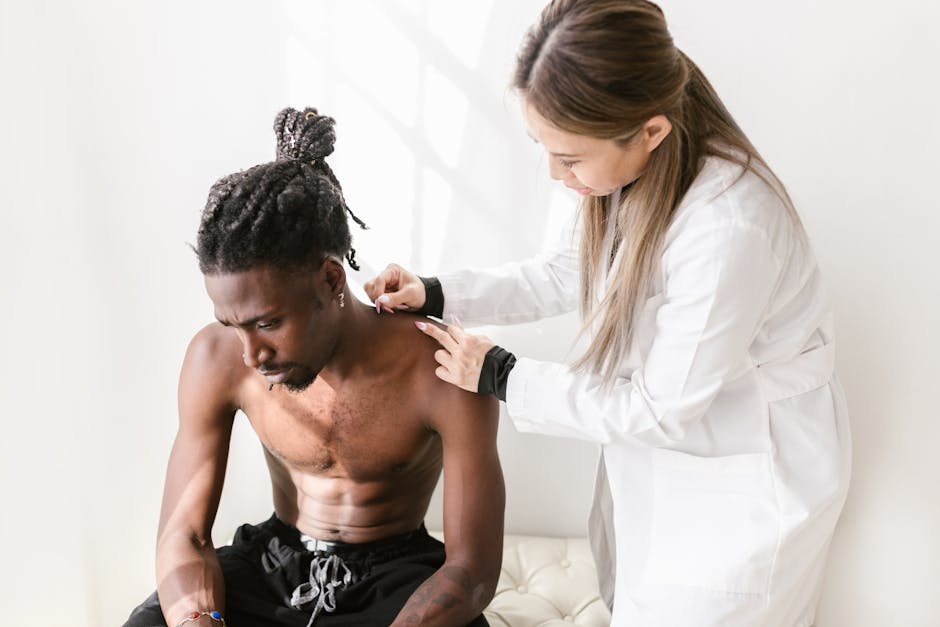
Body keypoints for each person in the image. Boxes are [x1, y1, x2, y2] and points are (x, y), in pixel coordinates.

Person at [364, 1, 851, 625]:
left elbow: (659, 409)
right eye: (543, 147)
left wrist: (503, 374)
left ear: (649, 130)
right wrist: (437, 292)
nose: (553, 172)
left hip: (749, 491)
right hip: (664, 468)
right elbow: (565, 271)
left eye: (568, 158)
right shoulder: (617, 170)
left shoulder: (730, 226)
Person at [124, 107, 503, 627]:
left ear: (329, 279)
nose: (250, 355)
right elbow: (184, 536)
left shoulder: (442, 366)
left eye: (267, 323)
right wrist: (199, 621)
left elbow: (472, 567)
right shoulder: (215, 359)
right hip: (270, 568)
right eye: (232, 325)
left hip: (398, 579)